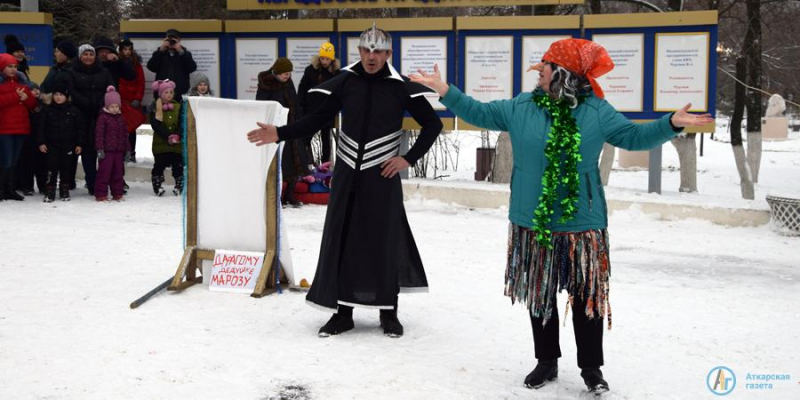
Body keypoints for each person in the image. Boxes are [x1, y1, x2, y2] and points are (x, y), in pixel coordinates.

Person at [409, 38, 713, 394]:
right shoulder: (521, 107)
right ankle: (546, 361)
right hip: (531, 219)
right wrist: (445, 90)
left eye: (546, 66)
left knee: (587, 297)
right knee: (541, 294)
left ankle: (591, 369)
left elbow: (633, 136)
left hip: (582, 222)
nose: (539, 71)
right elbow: (479, 112)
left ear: (562, 74)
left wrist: (670, 124)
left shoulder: (596, 111)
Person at [247, 24, 444, 338]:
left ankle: (388, 312)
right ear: (359, 51)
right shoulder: (347, 82)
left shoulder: (400, 87)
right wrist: (280, 133)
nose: (371, 57)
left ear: (388, 54)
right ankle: (343, 313)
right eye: (366, 50)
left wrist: (407, 159)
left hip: (382, 175)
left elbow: (433, 125)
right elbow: (318, 119)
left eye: (378, 51)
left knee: (384, 239)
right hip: (348, 173)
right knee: (345, 239)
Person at [256, 57, 308, 207]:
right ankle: (276, 196)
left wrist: (299, 120)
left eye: (289, 73)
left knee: (296, 162)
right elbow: (262, 106)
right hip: (275, 129)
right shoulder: (266, 84)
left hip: (292, 126)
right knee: (279, 163)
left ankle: (290, 195)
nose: (288, 76)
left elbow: (295, 101)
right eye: (285, 73)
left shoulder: (288, 82)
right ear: (276, 73)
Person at [65, 44, 115, 195]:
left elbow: (110, 89)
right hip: (78, 115)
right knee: (78, 149)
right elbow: (71, 90)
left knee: (94, 150)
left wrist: (99, 103)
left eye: (91, 54)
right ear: (80, 56)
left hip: (99, 115)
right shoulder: (71, 72)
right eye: (85, 54)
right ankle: (71, 181)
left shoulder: (104, 71)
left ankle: (95, 183)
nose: (88, 57)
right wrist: (85, 102)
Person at [37, 82, 85, 202]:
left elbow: (80, 128)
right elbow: (41, 128)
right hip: (51, 145)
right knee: (51, 168)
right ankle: (50, 190)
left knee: (66, 168)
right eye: (56, 94)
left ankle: (65, 189)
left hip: (68, 145)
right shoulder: (47, 110)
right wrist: (41, 142)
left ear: (67, 96)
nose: (58, 97)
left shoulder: (74, 111)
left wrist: (79, 143)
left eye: (61, 95)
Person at [0, 53, 38, 201]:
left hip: (21, 128)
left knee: (14, 162)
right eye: (10, 66)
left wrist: (27, 99)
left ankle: (10, 189)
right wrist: (16, 97)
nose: (13, 69)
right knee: (6, 161)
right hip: (4, 129)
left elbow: (33, 105)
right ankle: (2, 189)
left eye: (15, 66)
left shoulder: (23, 84)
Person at [297, 42, 340, 163]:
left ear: (332, 59)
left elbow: (339, 92)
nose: (324, 61)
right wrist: (301, 105)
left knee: (326, 139)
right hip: (311, 110)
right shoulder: (310, 70)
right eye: (322, 58)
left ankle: (325, 163)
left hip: (327, 111)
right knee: (307, 137)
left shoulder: (336, 73)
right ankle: (308, 162)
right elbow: (302, 88)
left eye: (327, 59)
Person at [94, 86, 130, 202]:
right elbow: (99, 134)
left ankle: (117, 193)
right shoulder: (103, 118)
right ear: (107, 106)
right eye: (112, 106)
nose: (114, 109)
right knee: (104, 173)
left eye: (116, 106)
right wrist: (100, 149)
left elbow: (125, 134)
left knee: (118, 173)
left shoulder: (121, 118)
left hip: (118, 151)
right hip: (106, 151)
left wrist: (128, 149)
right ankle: (101, 193)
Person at [149, 79, 183, 196]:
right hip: (161, 143)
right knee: (159, 164)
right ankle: (157, 184)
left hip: (176, 144)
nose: (168, 95)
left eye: (170, 92)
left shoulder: (178, 107)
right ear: (160, 94)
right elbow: (155, 125)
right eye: (166, 92)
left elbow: (181, 123)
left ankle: (179, 184)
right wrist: (167, 136)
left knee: (177, 164)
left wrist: (177, 134)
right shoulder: (155, 107)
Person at [146, 29, 197, 102]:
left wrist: (181, 52)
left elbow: (192, 68)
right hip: (162, 94)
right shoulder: (160, 53)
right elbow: (151, 67)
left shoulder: (185, 54)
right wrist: (160, 51)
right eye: (169, 40)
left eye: (174, 40)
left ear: (179, 40)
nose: (171, 42)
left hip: (180, 95)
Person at [118, 39, 146, 163]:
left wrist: (138, 98)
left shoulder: (136, 64)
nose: (127, 52)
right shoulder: (117, 62)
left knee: (132, 128)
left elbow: (141, 83)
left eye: (129, 49)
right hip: (120, 100)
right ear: (121, 50)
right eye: (125, 49)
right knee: (120, 128)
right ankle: (123, 152)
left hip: (132, 100)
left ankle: (132, 152)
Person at [17, 81, 47, 196]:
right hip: (27, 138)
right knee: (27, 164)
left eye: (37, 89)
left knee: (42, 164)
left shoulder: (43, 105)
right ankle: (27, 186)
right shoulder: (23, 105)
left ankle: (43, 186)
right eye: (32, 89)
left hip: (41, 138)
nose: (36, 91)